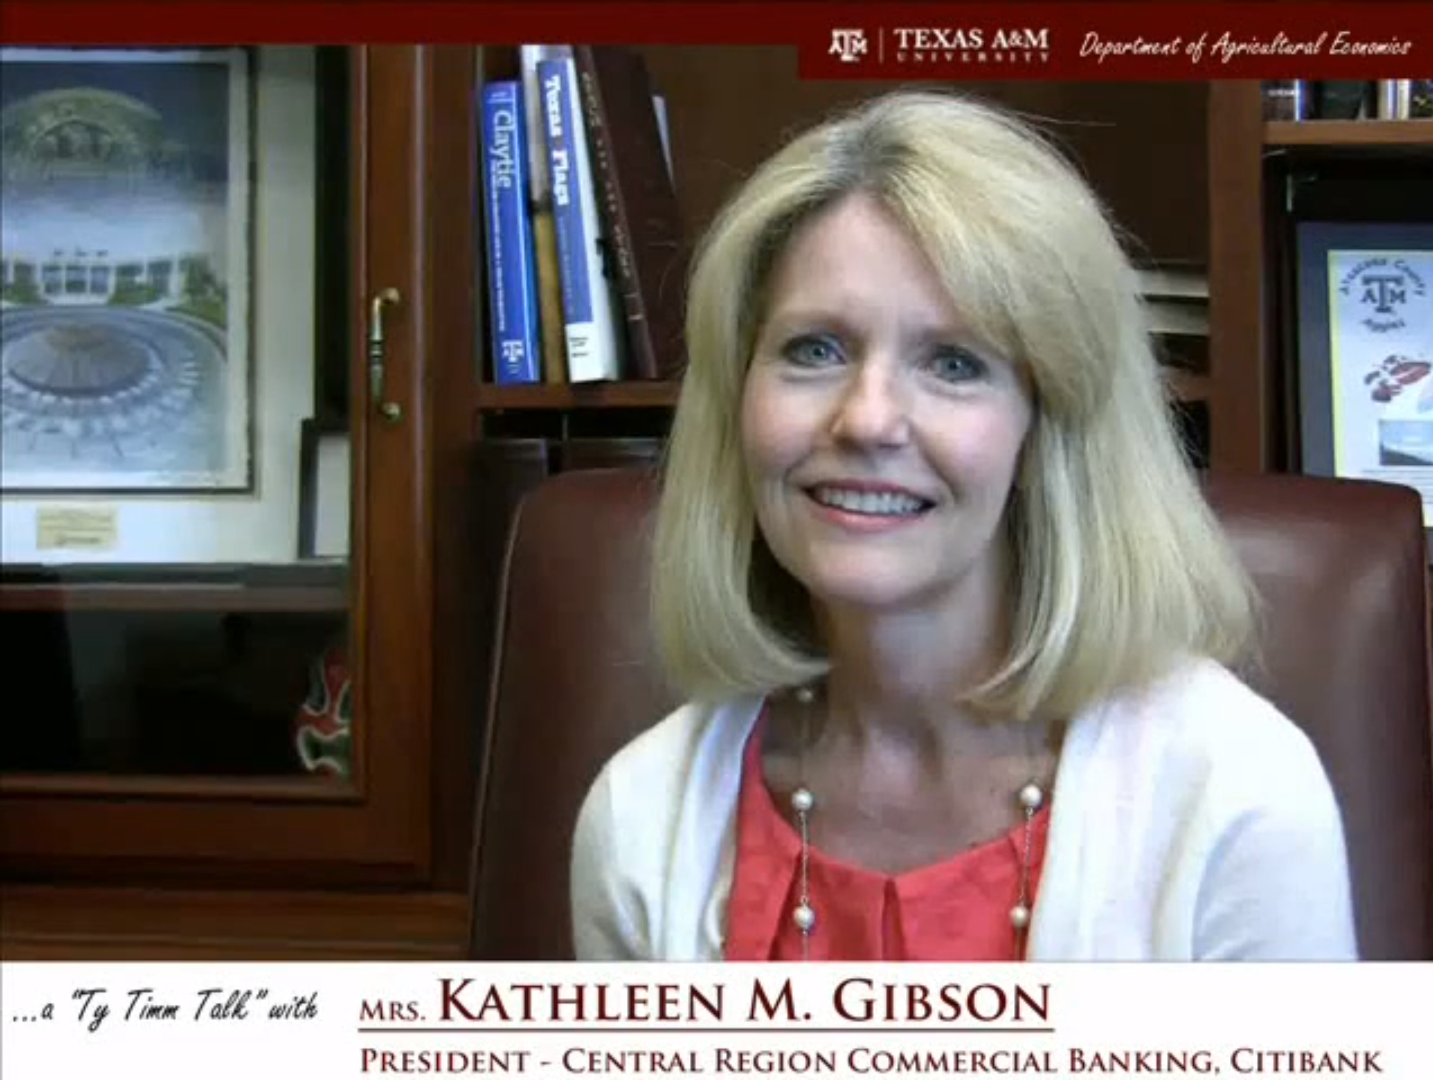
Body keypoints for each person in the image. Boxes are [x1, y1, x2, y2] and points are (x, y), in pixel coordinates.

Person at [569, 91, 1357, 961]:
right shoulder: (640, 819)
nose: (867, 420)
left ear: (1047, 429)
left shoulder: (1235, 796)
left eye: (953, 363)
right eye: (814, 350)